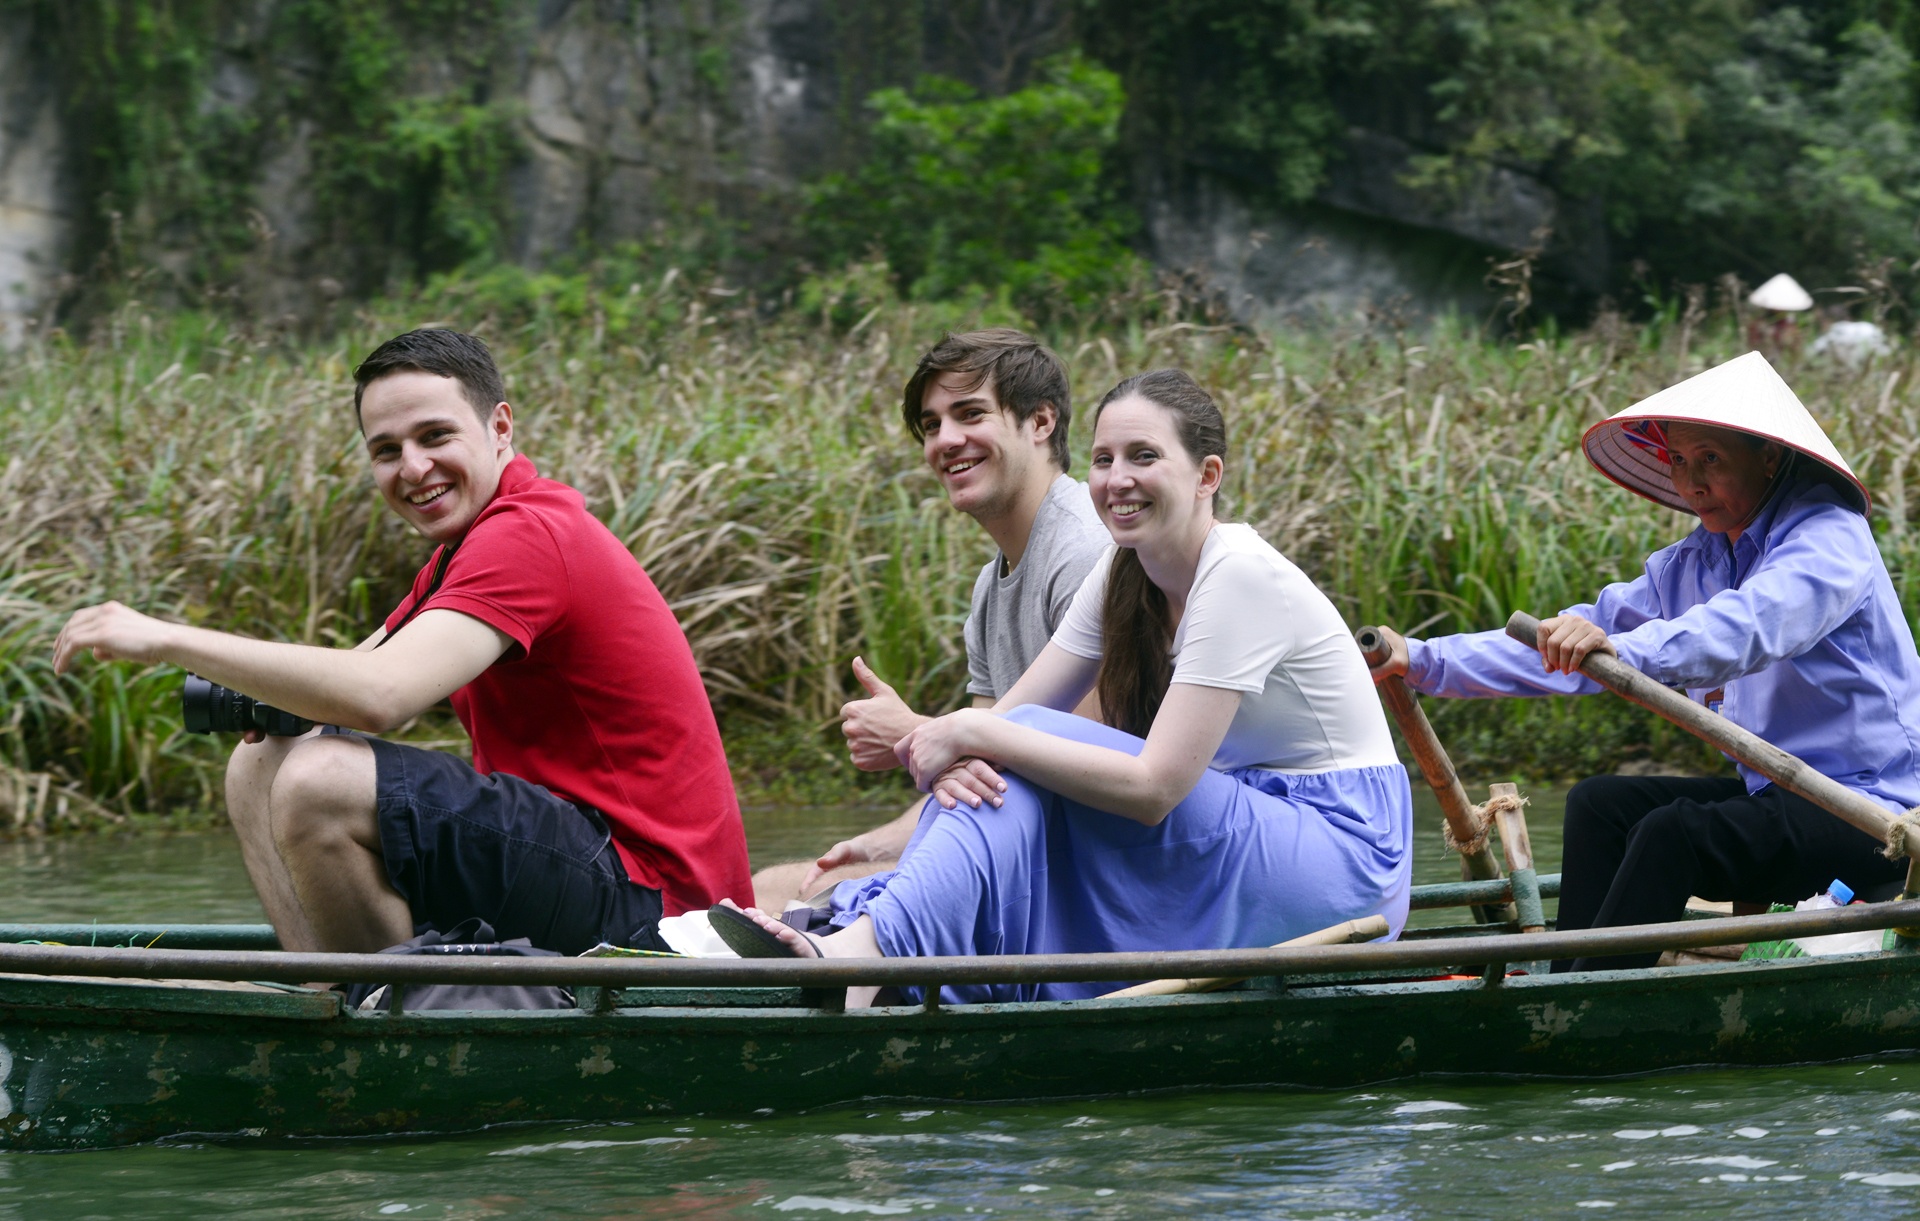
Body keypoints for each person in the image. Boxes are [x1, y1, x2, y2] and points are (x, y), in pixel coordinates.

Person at [715, 369, 1414, 1005]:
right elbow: (1020, 715)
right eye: (1105, 460)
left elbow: (1154, 787)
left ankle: (863, 957)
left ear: (1207, 476)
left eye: (1144, 456)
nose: (1117, 479)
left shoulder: (1239, 574)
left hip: (1344, 855)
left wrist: (974, 731)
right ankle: (869, 941)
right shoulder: (1124, 568)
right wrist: (908, 817)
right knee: (1015, 748)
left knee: (1023, 743)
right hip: (1251, 825)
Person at [51, 328, 751, 956]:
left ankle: (404, 1021)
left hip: (659, 902)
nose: (413, 469)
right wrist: (254, 705)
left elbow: (380, 696)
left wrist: (167, 637)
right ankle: (333, 995)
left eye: (435, 436)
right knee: (260, 764)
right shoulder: (465, 549)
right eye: (387, 451)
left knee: (321, 780)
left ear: (499, 427)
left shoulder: (528, 535)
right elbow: (356, 672)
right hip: (589, 867)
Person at [1368, 350, 1920, 972]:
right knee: (1600, 802)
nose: (1691, 484)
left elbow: (1748, 627)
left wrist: (1617, 650)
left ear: (1769, 458)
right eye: (1680, 461)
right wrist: (1420, 659)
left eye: (1711, 459)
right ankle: (1566, 975)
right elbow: (1563, 639)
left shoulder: (1829, 536)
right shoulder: (1693, 563)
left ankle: (1585, 1000)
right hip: (1780, 797)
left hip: (1879, 819)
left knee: (1675, 831)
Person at [750, 329, 1109, 910]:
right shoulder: (991, 587)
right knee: (774, 887)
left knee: (793, 901)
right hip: (1016, 836)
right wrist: (878, 841)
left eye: (970, 414)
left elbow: (1101, 747)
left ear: (1040, 423)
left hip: (1086, 861)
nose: (947, 440)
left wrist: (911, 734)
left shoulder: (1086, 552)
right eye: (931, 424)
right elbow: (977, 771)